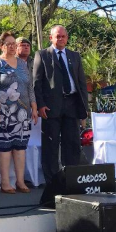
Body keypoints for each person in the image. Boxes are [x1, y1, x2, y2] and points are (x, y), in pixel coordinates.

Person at [34, 25, 88, 184]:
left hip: (72, 105)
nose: (61, 39)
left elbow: (82, 84)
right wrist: (40, 104)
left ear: (67, 37)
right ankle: (52, 183)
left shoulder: (74, 56)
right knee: (51, 146)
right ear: (51, 38)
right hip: (51, 107)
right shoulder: (42, 55)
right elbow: (37, 82)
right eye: (58, 36)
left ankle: (71, 180)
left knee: (72, 144)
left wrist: (83, 108)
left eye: (63, 36)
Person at [0, 31, 37, 193]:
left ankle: (20, 181)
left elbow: (29, 87)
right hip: (4, 112)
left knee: (20, 146)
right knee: (5, 147)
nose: (11, 47)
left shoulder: (22, 64)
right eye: (8, 44)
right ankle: (4, 183)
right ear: (1, 46)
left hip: (23, 113)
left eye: (13, 44)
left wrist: (34, 106)